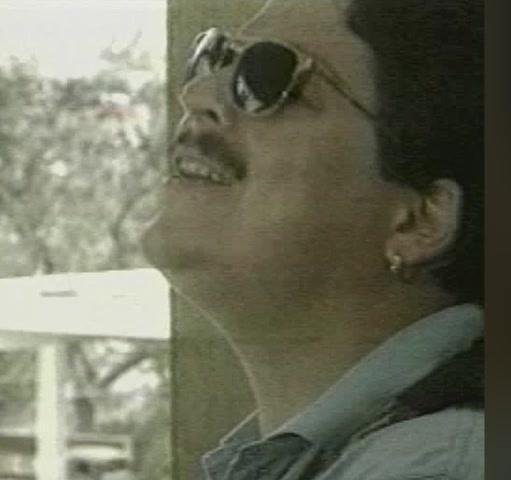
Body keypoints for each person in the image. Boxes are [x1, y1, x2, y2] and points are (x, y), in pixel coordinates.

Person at [142, 0, 483, 478]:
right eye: (215, 55)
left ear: (417, 222)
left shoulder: (438, 466)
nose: (195, 93)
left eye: (268, 73)